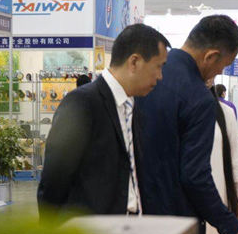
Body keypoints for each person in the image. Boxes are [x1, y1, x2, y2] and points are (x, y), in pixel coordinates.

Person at [137, 15, 238, 234]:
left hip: (134, 220)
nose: (218, 73)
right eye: (222, 66)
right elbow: (194, 175)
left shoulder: (148, 75)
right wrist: (230, 226)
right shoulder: (197, 96)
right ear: (210, 56)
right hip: (175, 225)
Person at [37, 24, 170, 221]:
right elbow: (54, 180)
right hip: (91, 232)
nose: (160, 76)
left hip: (131, 227)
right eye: (158, 66)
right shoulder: (82, 103)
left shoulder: (133, 107)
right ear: (134, 62)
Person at [198, 82, 238, 234]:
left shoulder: (224, 113)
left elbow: (234, 160)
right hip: (184, 209)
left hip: (218, 200)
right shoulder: (174, 108)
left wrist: (235, 210)